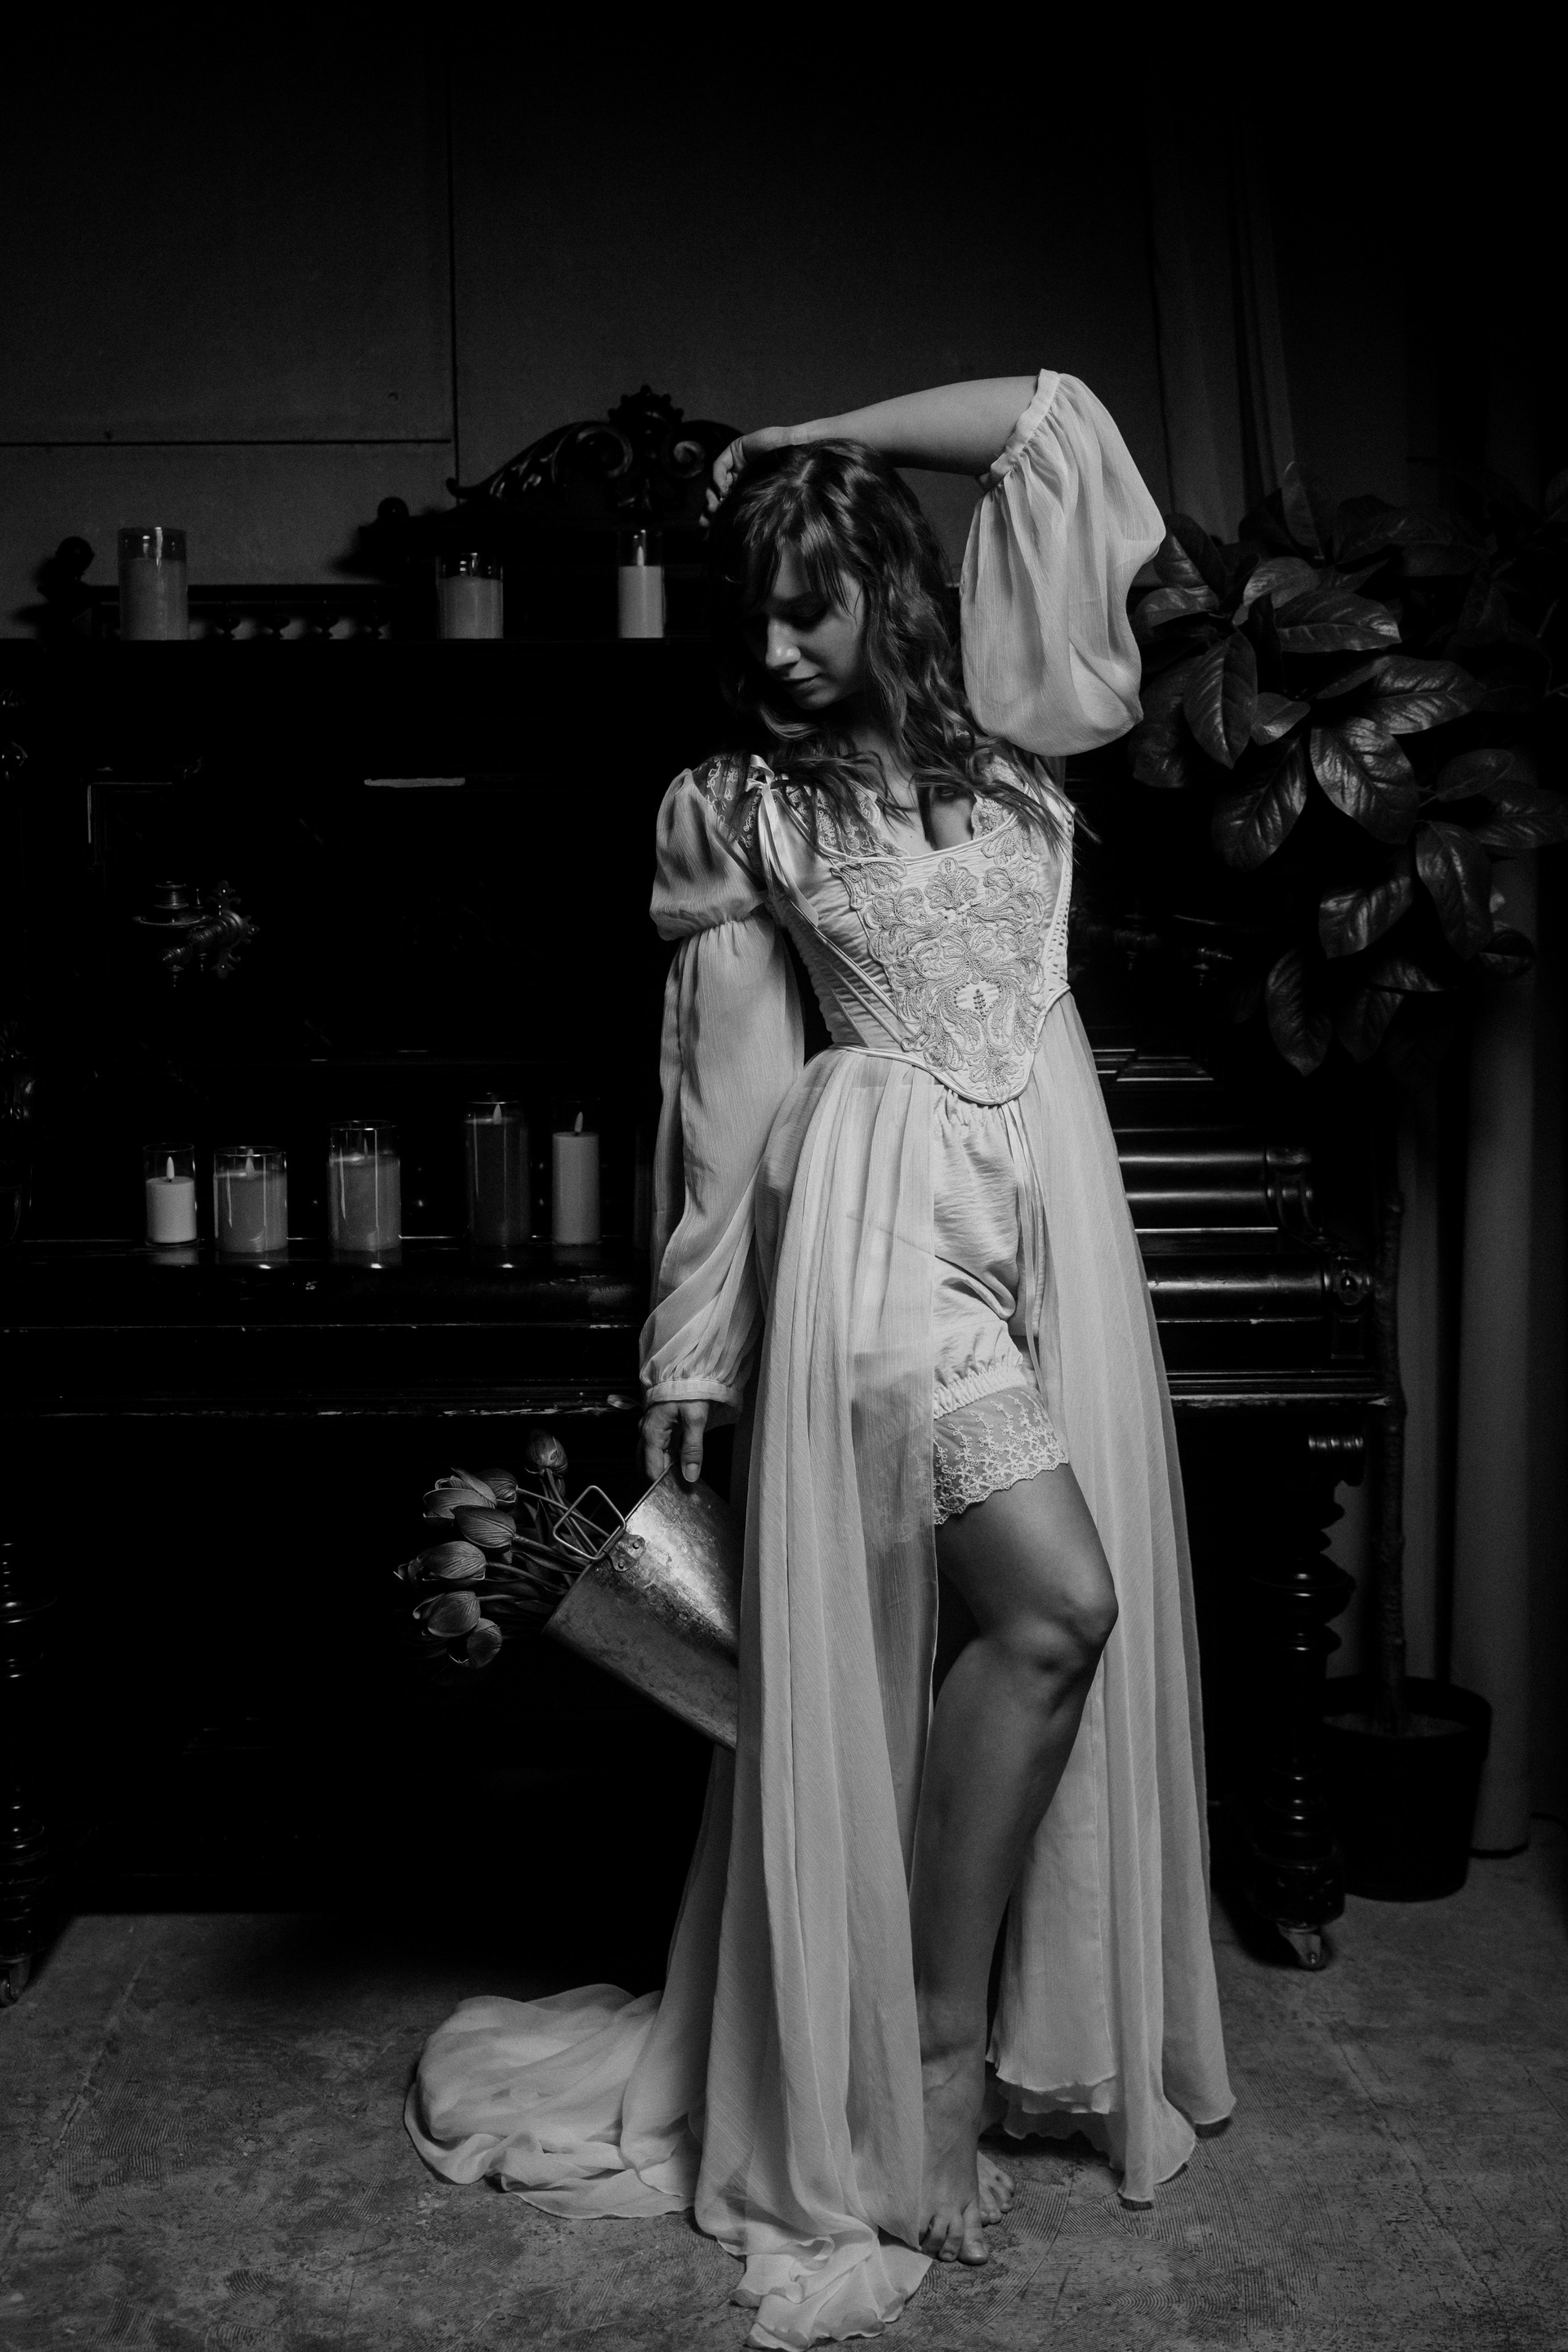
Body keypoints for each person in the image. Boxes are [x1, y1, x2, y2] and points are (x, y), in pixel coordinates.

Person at [408, 372, 1234, 2350]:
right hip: (875, 1247)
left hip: (1050, 1239)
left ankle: (946, 2010)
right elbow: (723, 1108)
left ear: (889, 587)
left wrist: (803, 436)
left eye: (811, 605)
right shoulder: (743, 812)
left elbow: (1056, 423)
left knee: (1029, 1637)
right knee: (1059, 1607)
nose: (775, 649)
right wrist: (691, 1350)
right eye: (753, 617)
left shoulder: (1022, 739)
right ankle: (929, 2049)